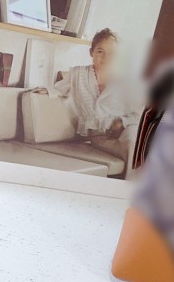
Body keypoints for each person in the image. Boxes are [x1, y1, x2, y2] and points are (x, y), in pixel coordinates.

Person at [51, 28, 140, 174]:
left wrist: (121, 122)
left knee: (134, 144)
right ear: (91, 52)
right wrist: (44, 91)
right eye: (100, 51)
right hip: (99, 136)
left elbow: (140, 114)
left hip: (126, 129)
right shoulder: (77, 74)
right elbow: (57, 89)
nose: (105, 57)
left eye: (111, 53)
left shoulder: (125, 81)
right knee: (133, 151)